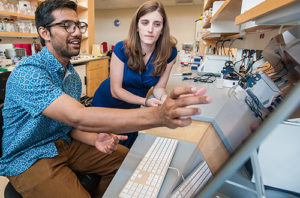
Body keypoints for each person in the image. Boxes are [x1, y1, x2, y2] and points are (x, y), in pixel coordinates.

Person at [0, 0, 212, 197]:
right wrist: (158, 114)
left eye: (78, 25)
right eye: (66, 26)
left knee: (126, 161)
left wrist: (94, 138)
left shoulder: (71, 76)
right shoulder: (28, 72)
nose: (76, 33)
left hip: (64, 144)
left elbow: (67, 126)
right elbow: (77, 117)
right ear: (44, 32)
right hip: (29, 156)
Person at [92, 0, 178, 148]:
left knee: (125, 148)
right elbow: (115, 90)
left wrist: (165, 99)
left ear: (163, 29)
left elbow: (159, 88)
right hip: (107, 103)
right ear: (137, 26)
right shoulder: (121, 48)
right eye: (145, 22)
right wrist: (145, 101)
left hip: (133, 108)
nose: (150, 29)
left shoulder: (169, 52)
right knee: (104, 147)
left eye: (157, 24)